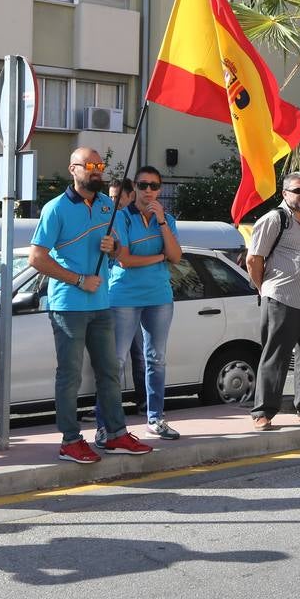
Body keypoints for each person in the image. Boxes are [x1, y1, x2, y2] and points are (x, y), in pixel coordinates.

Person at [29, 148, 152, 463]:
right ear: (73, 168)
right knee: (69, 375)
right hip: (68, 305)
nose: (97, 170)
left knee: (109, 372)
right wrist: (79, 280)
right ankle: (70, 441)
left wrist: (114, 247)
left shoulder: (107, 206)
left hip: (101, 303)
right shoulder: (55, 208)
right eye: (90, 165)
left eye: (100, 165)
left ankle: (115, 435)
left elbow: (119, 252)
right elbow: (37, 258)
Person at [246, 171, 300, 430]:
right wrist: (265, 289)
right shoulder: (275, 219)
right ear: (285, 193)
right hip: (283, 297)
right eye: (297, 190)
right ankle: (263, 412)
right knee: (276, 356)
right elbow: (253, 259)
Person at [108, 166, 183, 440]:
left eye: (154, 185)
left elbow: (176, 256)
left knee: (156, 359)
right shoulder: (121, 217)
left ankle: (156, 419)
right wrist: (159, 257)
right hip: (124, 296)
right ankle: (107, 425)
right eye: (142, 185)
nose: (148, 190)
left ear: (160, 189)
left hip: (159, 296)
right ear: (134, 189)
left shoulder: (167, 219)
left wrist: (161, 221)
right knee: (115, 361)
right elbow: (125, 260)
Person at [107, 177, 145, 414]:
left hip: (136, 298)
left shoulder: (136, 223)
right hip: (112, 298)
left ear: (131, 196)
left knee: (139, 354)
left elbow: (129, 259)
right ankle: (107, 406)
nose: (115, 202)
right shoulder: (107, 223)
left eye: (119, 197)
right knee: (112, 358)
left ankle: (145, 401)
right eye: (111, 197)